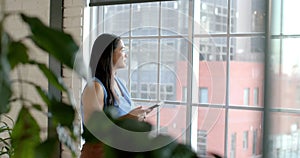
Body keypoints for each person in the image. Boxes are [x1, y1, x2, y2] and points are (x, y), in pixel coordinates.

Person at [80, 33, 151, 158]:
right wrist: (128, 118)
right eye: (122, 50)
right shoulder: (95, 88)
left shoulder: (119, 83)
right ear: (109, 54)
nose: (126, 55)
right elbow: (92, 132)